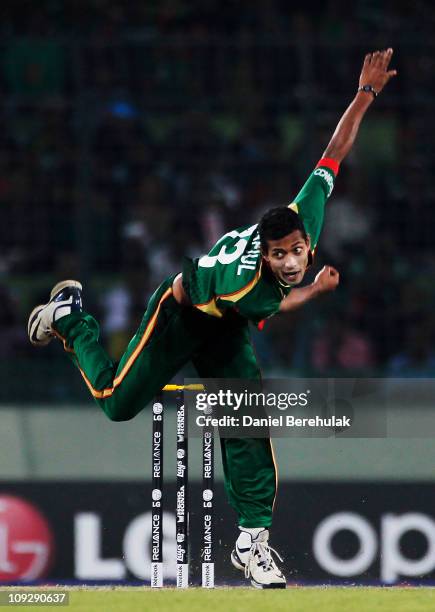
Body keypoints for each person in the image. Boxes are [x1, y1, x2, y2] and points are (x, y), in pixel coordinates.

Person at [28, 49, 396, 589]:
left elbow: (333, 152)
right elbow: (200, 290)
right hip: (183, 310)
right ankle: (71, 319)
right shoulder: (247, 284)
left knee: (245, 418)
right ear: (266, 257)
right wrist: (314, 293)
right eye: (282, 257)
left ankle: (253, 543)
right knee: (117, 404)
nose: (293, 262)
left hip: (222, 322)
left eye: (297, 251)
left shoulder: (303, 215)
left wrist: (365, 93)